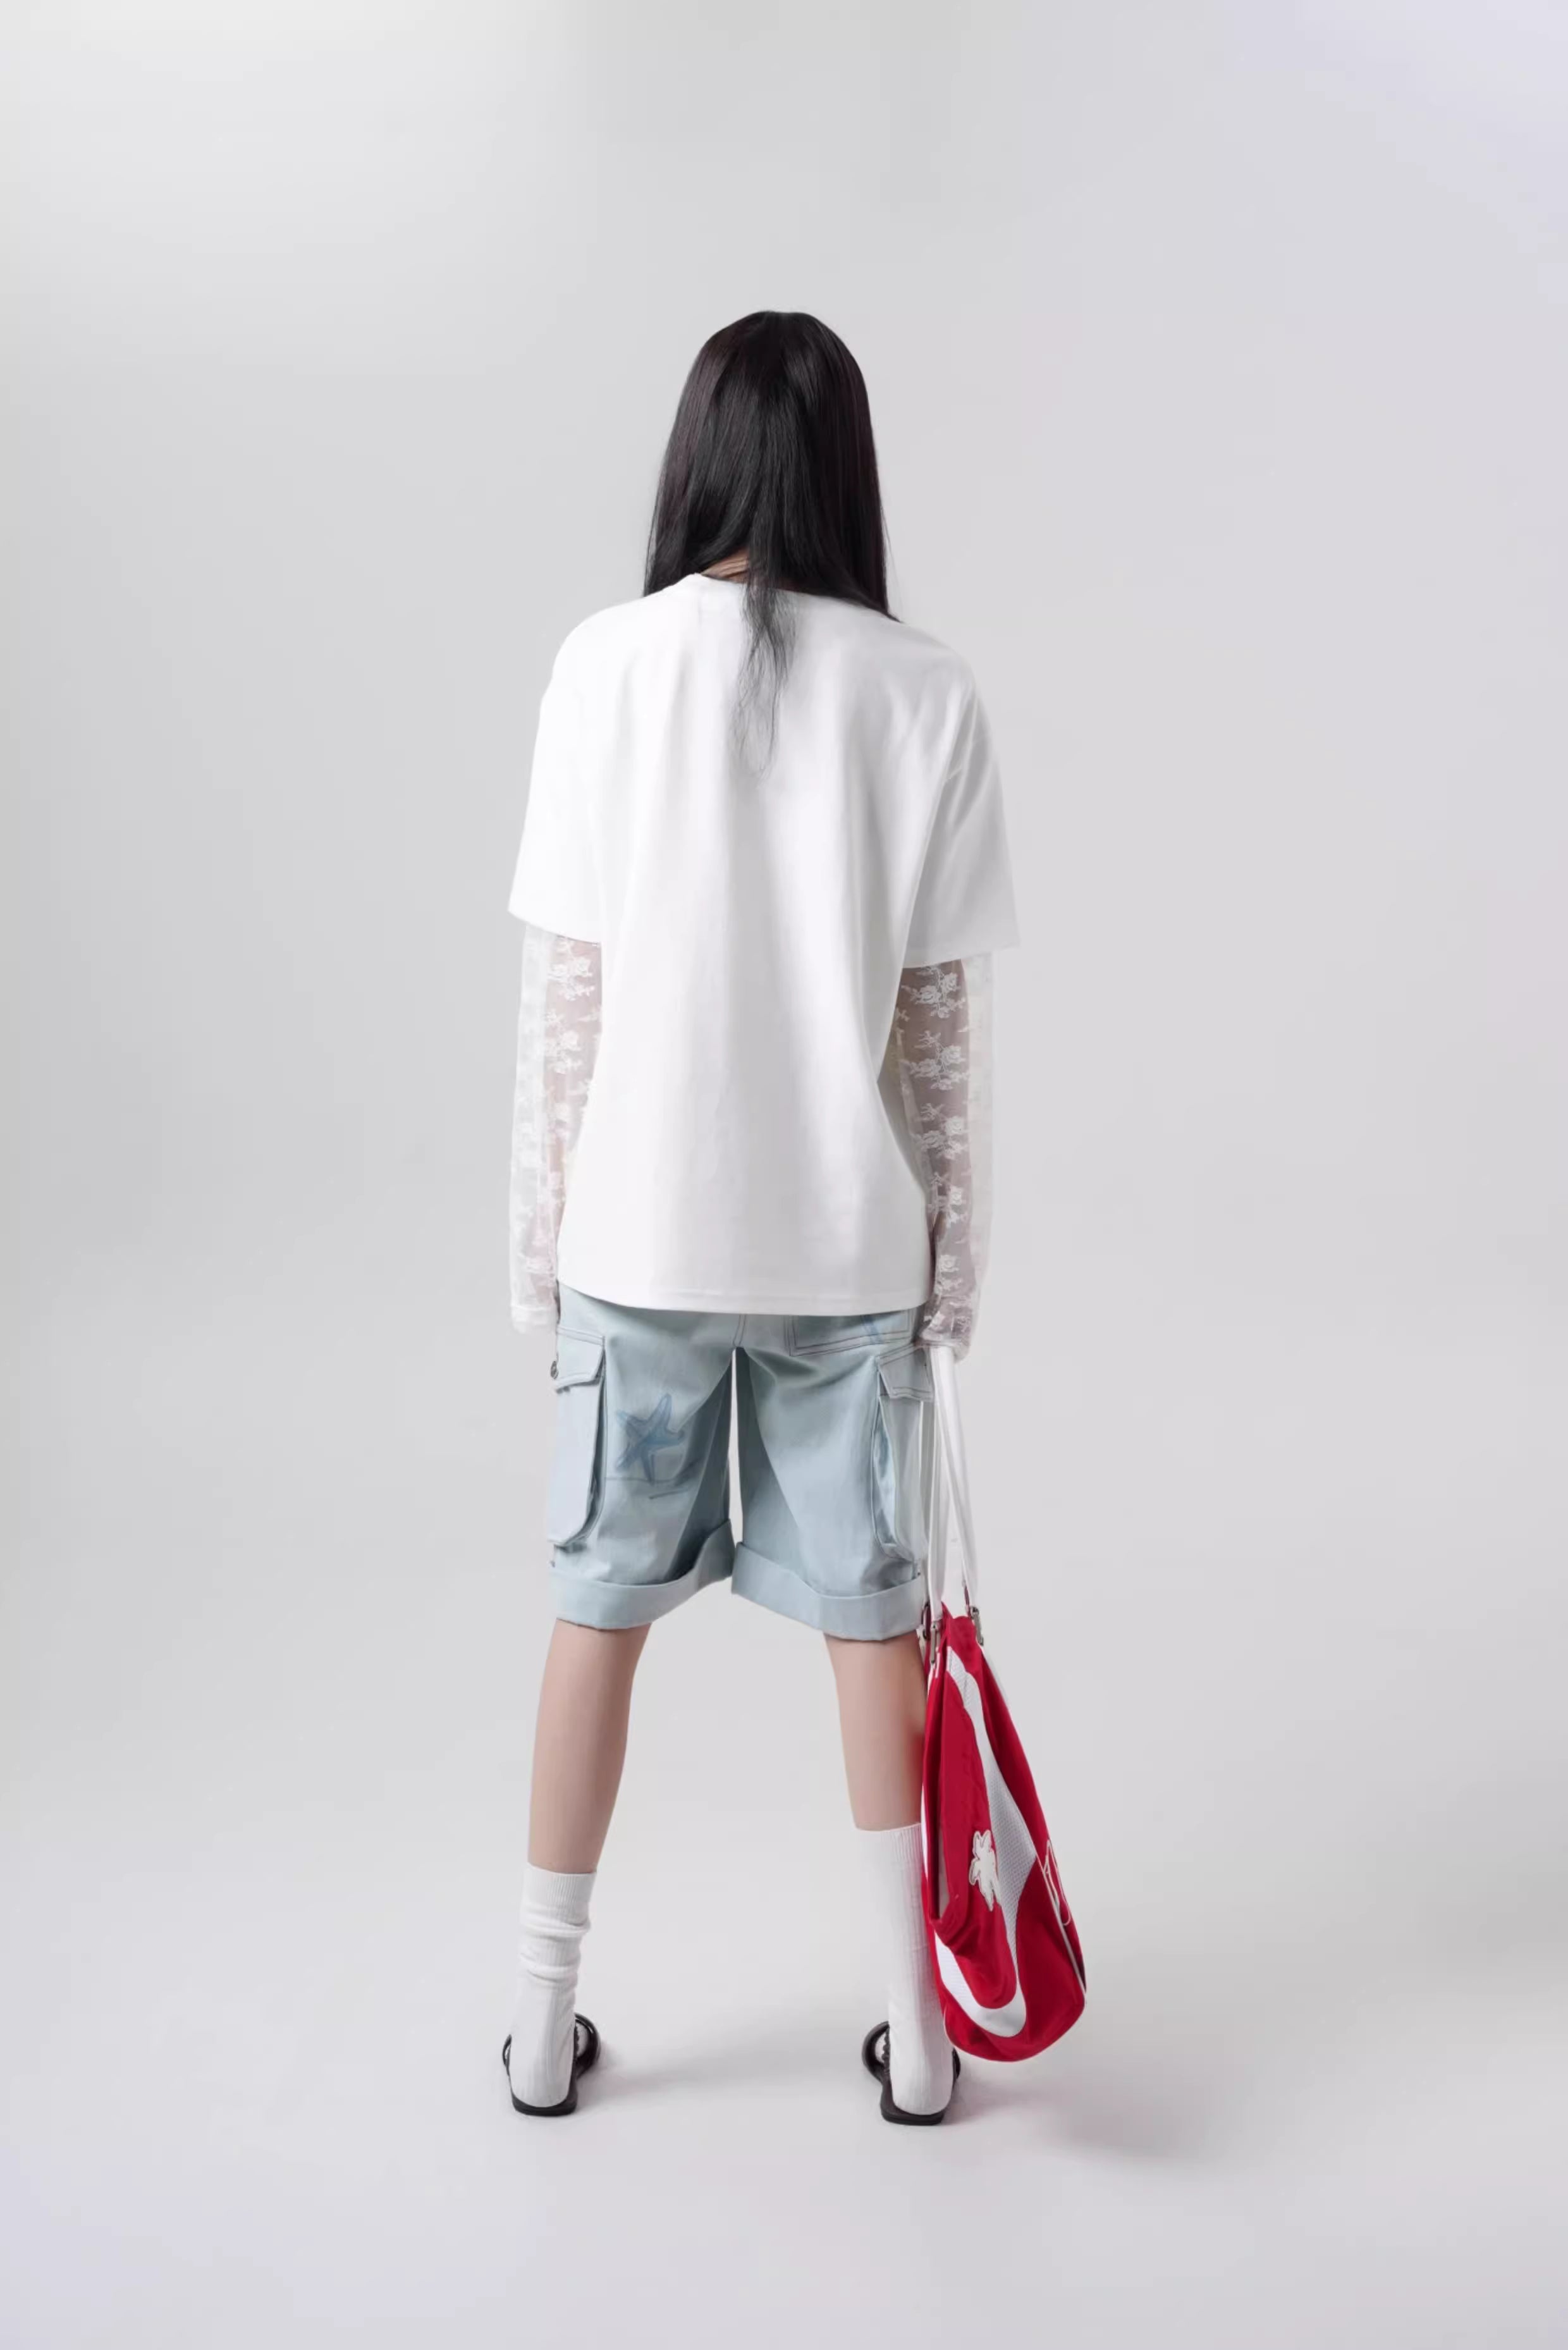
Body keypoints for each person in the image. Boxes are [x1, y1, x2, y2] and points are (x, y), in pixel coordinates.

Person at [502, 311, 1017, 2124]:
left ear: (699, 455)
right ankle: (922, 2036)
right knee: (875, 1628)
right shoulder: (926, 688)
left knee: (595, 1613)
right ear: (847, 466)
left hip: (635, 1241)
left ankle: (542, 2027)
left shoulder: (600, 665)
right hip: (845, 1246)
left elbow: (566, 1003)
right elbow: (934, 1033)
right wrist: (951, 1277)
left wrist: (541, 1255)